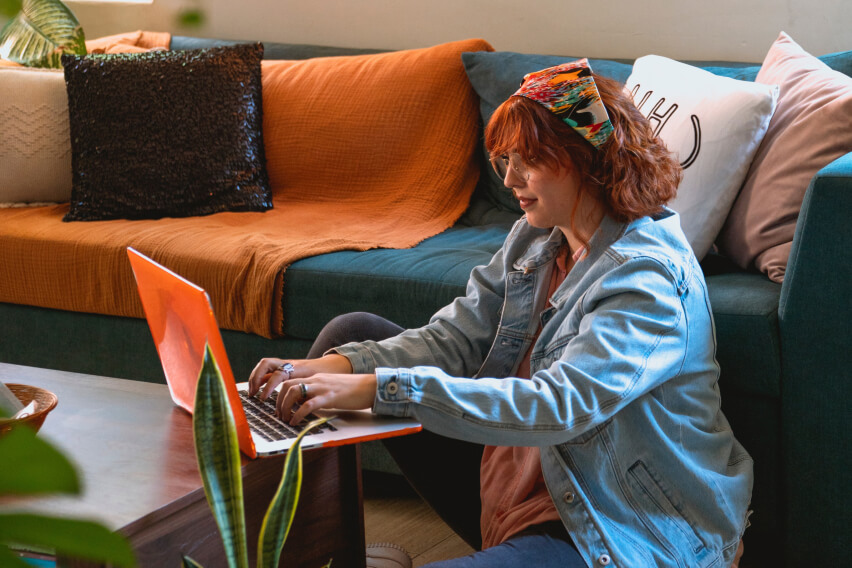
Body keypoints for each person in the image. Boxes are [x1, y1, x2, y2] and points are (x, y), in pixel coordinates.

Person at [248, 59, 752, 568]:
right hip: (520, 487)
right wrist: (336, 370)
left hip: (614, 527)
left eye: (526, 161)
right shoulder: (538, 236)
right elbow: (457, 337)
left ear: (585, 159)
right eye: (505, 160)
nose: (510, 179)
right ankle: (306, 553)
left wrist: (381, 389)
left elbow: (559, 406)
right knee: (349, 336)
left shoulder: (646, 278)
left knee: (375, 378)